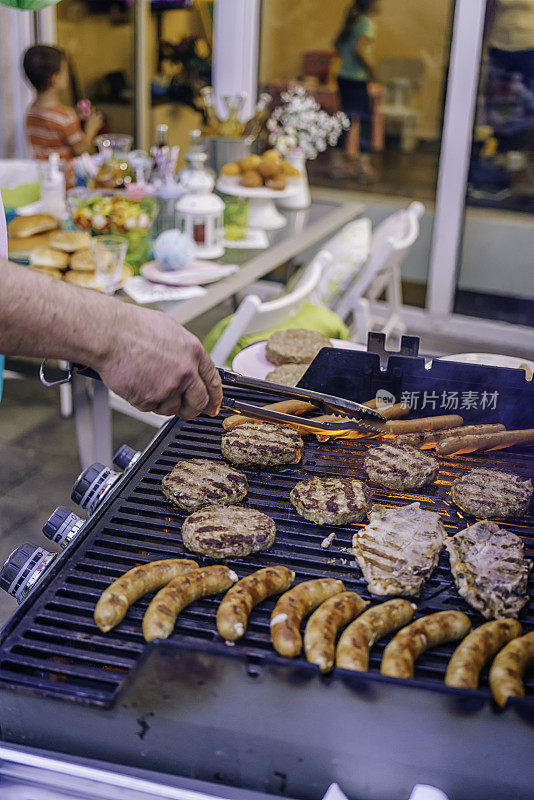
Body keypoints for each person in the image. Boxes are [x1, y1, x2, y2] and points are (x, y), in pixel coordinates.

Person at [23, 45, 103, 163]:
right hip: (64, 178)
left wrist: (75, 118)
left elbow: (55, 129)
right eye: (65, 71)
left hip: (43, 174)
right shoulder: (66, 116)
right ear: (55, 79)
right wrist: (91, 129)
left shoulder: (32, 110)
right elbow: (81, 151)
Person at [333, 0, 379, 179]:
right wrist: (371, 69)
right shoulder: (366, 22)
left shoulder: (353, 21)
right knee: (365, 121)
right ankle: (364, 164)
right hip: (357, 78)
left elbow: (337, 44)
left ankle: (338, 163)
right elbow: (359, 49)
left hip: (344, 75)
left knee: (345, 120)